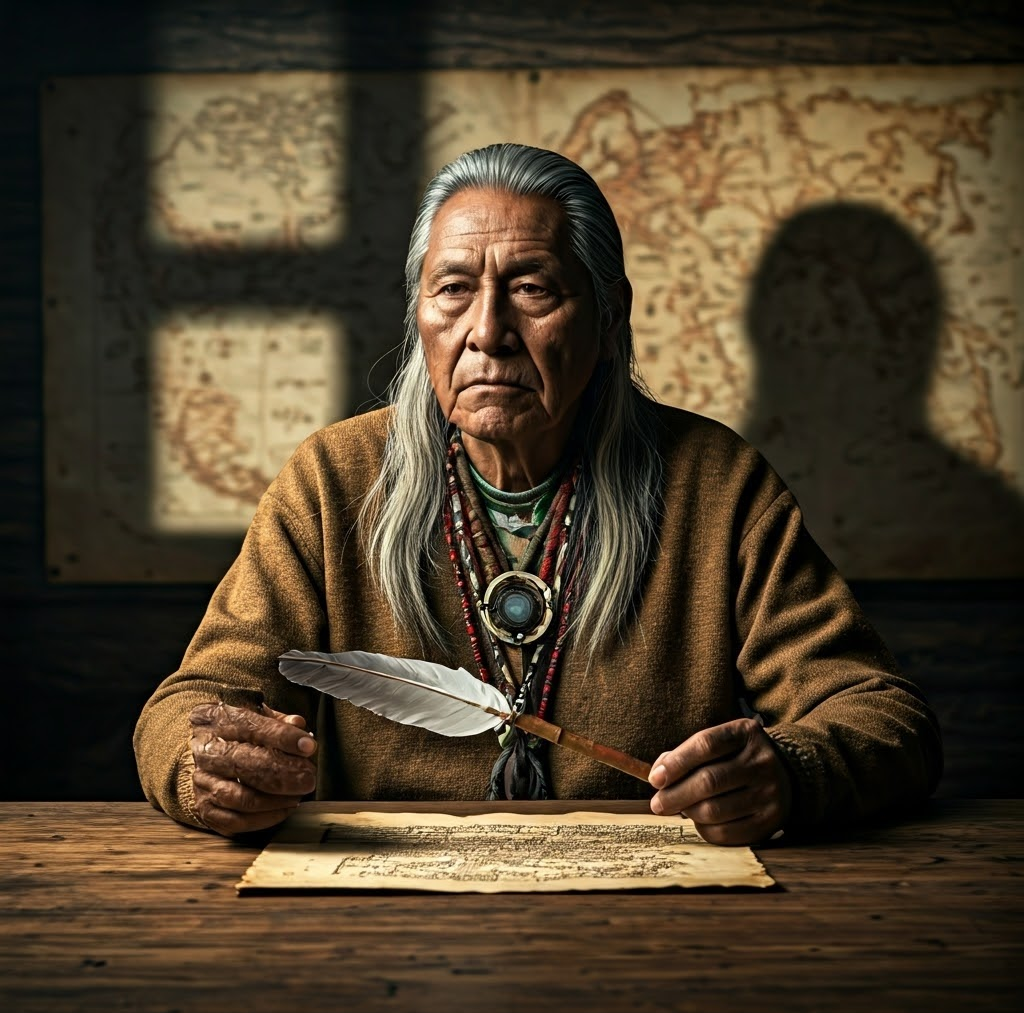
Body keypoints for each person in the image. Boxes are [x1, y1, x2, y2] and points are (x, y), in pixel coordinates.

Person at [133, 143, 942, 844]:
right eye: (453, 289)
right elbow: (189, 705)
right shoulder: (332, 481)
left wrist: (792, 774)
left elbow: (880, 716)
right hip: (386, 908)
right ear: (419, 316)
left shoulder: (716, 485)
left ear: (609, 316)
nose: (488, 332)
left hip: (644, 911)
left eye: (533, 289)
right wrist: (209, 768)